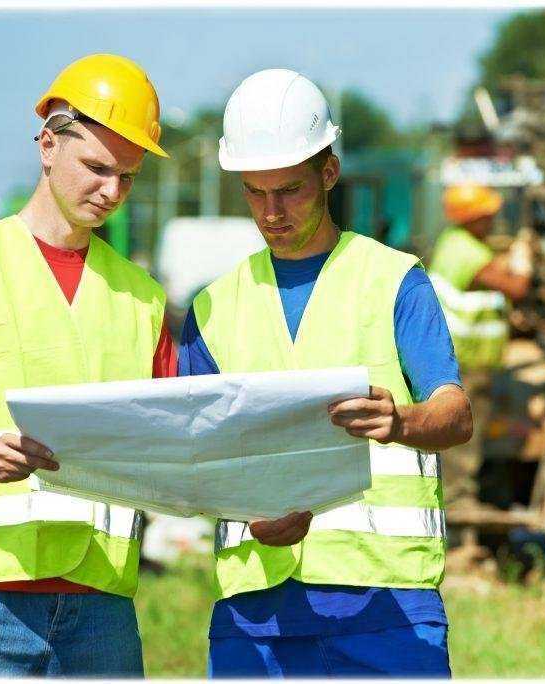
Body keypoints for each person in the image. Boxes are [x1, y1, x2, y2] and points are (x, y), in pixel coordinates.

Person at [180, 68, 473, 677]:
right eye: (255, 192)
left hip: (386, 603)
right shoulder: (212, 307)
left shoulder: (394, 280)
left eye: (288, 190)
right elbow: (198, 454)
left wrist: (402, 421)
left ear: (329, 172)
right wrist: (249, 514)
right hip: (255, 610)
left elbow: (455, 413)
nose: (271, 210)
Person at [0, 53, 174, 676]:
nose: (111, 192)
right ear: (47, 144)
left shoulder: (142, 299)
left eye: (127, 178)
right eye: (96, 168)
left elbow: (170, 446)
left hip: (103, 609)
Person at [427, 185, 533, 511]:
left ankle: (462, 501)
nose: (492, 219)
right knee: (462, 435)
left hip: (464, 359)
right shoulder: (466, 251)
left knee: (467, 433)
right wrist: (523, 260)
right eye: (486, 214)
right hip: (465, 362)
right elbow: (517, 287)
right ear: (472, 217)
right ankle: (460, 505)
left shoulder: (458, 244)